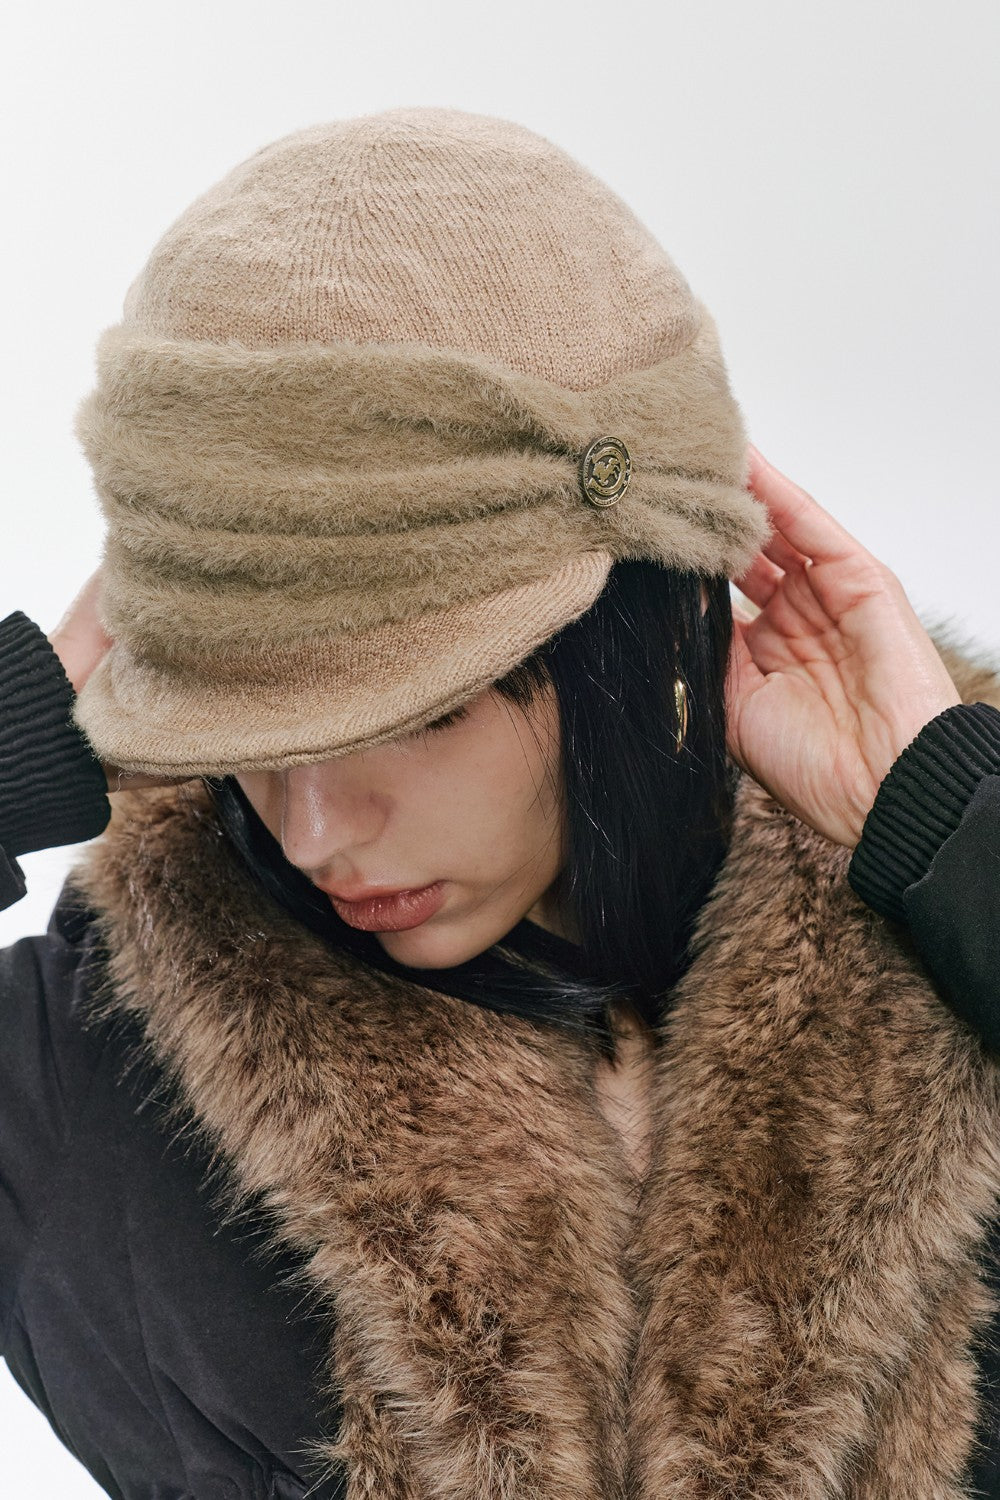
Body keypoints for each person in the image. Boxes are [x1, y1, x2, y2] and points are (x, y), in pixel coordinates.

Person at [2, 106, 1000, 1500]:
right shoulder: (84, 1067)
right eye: (247, 733)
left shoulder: (957, 956)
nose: (313, 832)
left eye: (418, 715)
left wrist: (954, 830)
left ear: (626, 633)